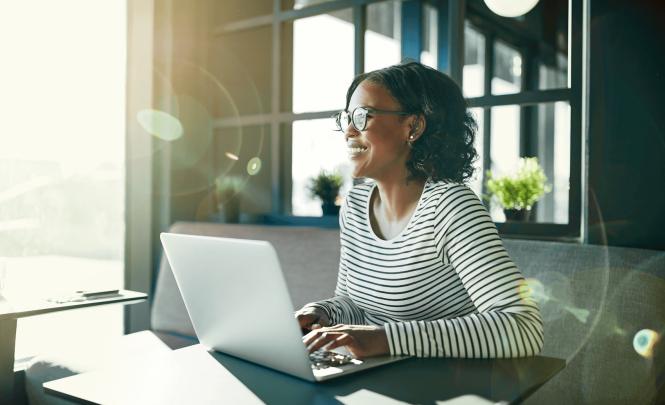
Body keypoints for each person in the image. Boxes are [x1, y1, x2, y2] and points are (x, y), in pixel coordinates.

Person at [295, 61, 543, 359]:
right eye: (346, 117)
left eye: (362, 116)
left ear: (413, 126)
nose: (348, 130)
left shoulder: (451, 207)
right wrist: (321, 313)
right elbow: (355, 304)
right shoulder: (355, 206)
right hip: (376, 378)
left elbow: (523, 326)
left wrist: (385, 339)